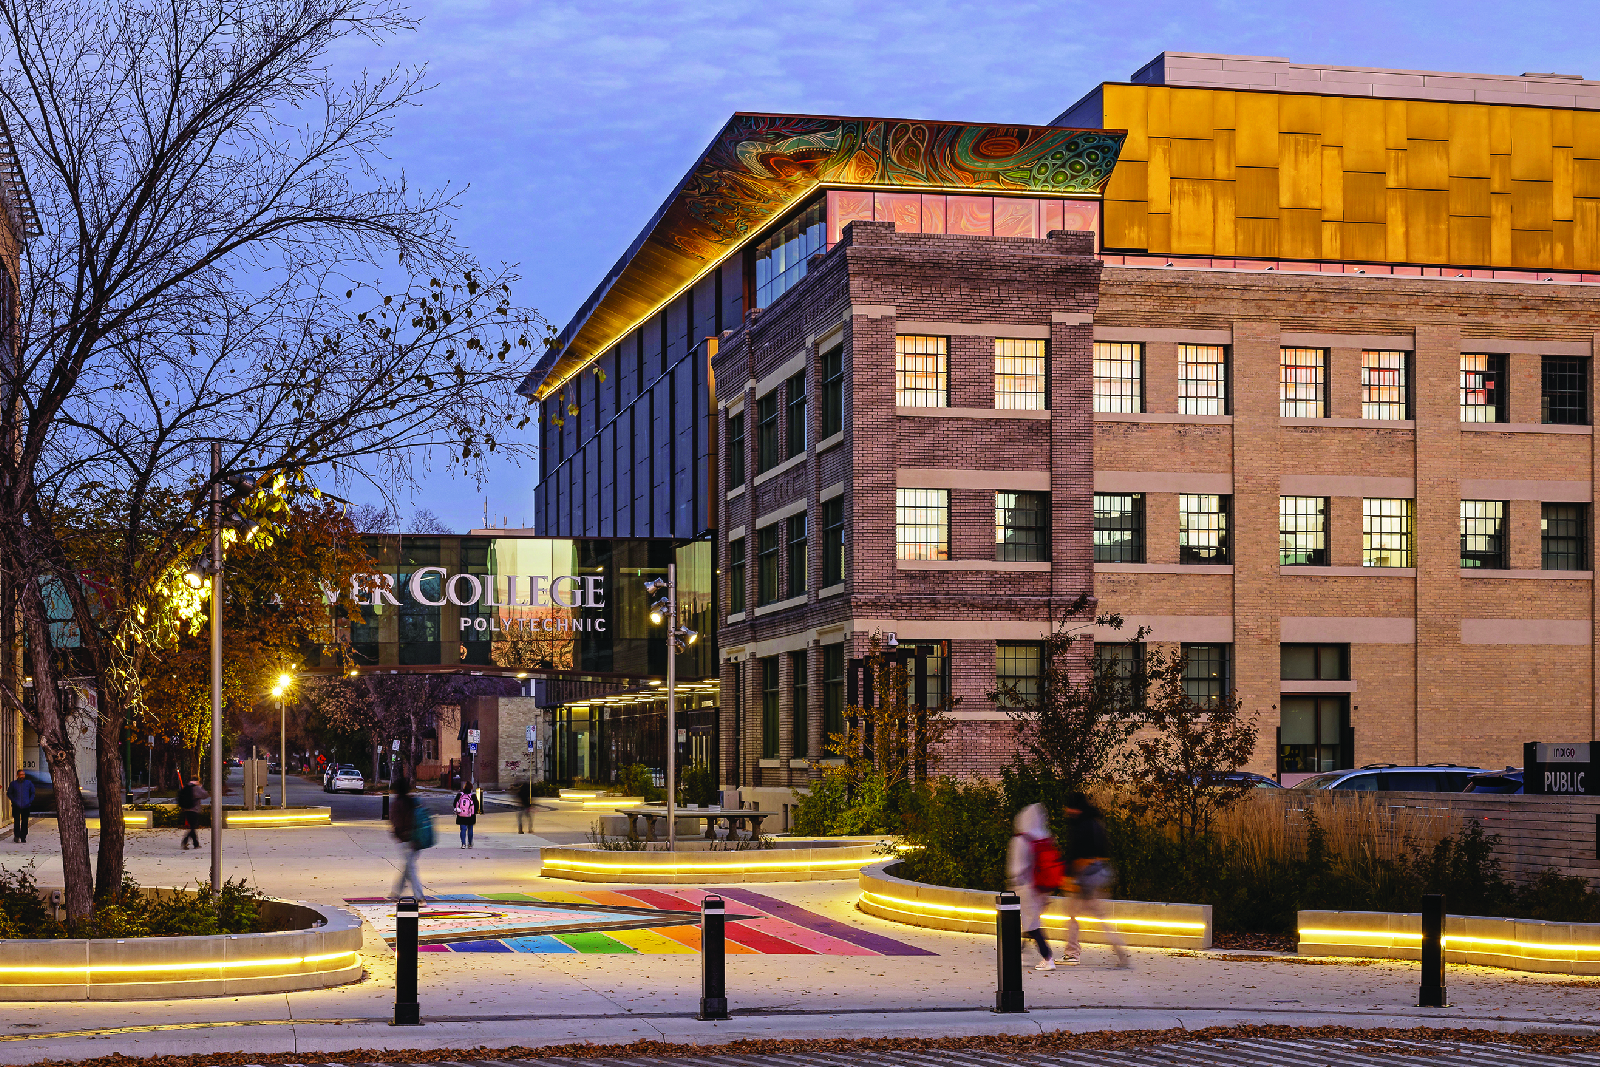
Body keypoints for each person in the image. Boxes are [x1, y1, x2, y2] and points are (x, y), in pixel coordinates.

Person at [1062, 792, 1130, 969]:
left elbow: (1075, 854)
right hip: (1099, 874)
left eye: (1068, 807)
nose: (1066, 810)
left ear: (1075, 808)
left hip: (1083, 877)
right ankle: (1120, 950)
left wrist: (1069, 878)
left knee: (1072, 915)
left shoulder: (1079, 826)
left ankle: (1072, 953)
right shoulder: (1096, 823)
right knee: (1101, 916)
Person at [1007, 802, 1065, 971]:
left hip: (1025, 887)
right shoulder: (1044, 837)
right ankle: (1021, 954)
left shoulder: (1020, 840)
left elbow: (1015, 869)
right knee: (1029, 920)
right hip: (1042, 888)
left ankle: (1047, 958)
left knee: (1032, 925)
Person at [390, 777, 428, 900]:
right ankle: (396, 892)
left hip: (405, 840)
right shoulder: (412, 801)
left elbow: (396, 822)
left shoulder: (397, 803)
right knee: (408, 866)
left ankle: (419, 896)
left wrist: (398, 834)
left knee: (410, 868)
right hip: (417, 838)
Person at [177, 774, 206, 851]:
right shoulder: (195, 788)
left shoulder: (187, 787)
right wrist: (200, 787)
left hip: (186, 809)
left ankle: (196, 843)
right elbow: (205, 795)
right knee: (193, 827)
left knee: (193, 827)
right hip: (194, 810)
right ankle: (185, 841)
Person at [7, 770, 34, 844]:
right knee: (17, 821)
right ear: (17, 775)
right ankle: (17, 835)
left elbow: (32, 793)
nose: (22, 776)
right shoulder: (13, 784)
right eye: (20, 774)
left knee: (25, 821)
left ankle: (23, 836)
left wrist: (29, 801)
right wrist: (14, 800)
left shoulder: (29, 783)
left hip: (26, 805)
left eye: (23, 774)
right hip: (16, 805)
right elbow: (9, 793)